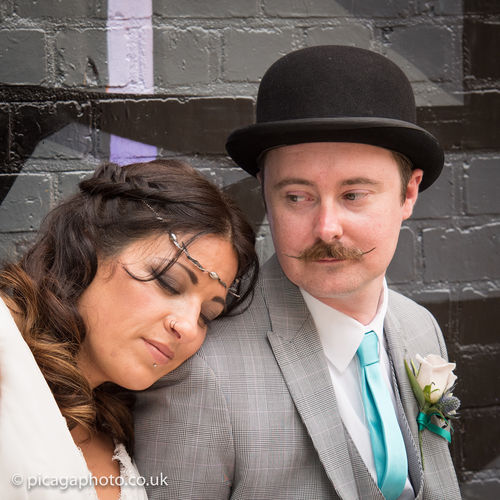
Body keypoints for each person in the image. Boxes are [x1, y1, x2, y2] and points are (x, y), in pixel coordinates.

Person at [134, 46, 461, 499]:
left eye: (353, 195)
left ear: (408, 194)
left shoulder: (420, 328)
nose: (326, 227)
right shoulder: (200, 372)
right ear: (266, 195)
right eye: (297, 197)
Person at [0, 159, 258, 500]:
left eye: (206, 315)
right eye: (168, 282)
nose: (187, 327)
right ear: (89, 246)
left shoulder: (113, 423)